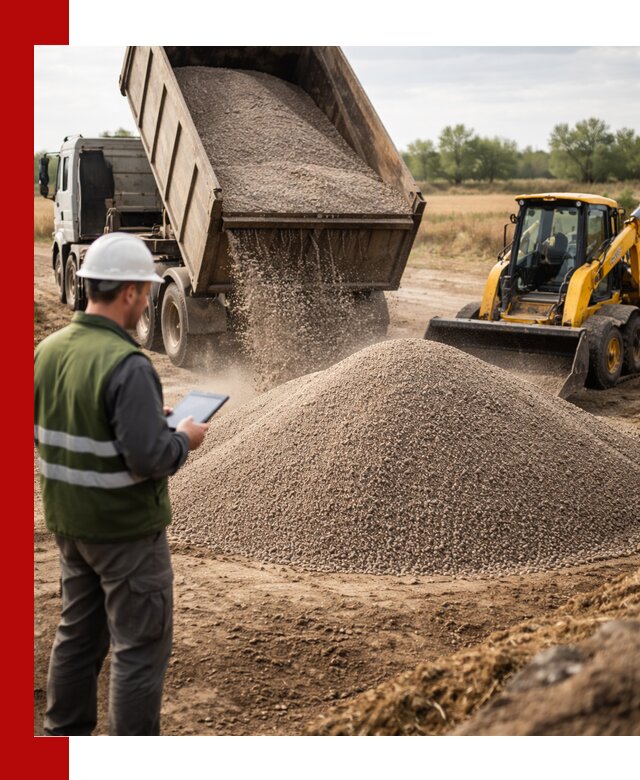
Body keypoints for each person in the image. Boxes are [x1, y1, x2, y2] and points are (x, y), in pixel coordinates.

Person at [34, 232, 209, 736]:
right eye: (147, 291)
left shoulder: (49, 350)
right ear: (131, 292)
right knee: (139, 648)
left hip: (70, 524)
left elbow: (60, 425)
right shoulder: (128, 364)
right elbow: (150, 458)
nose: (148, 300)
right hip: (124, 531)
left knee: (78, 636)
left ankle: (60, 739)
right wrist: (183, 439)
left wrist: (144, 419)